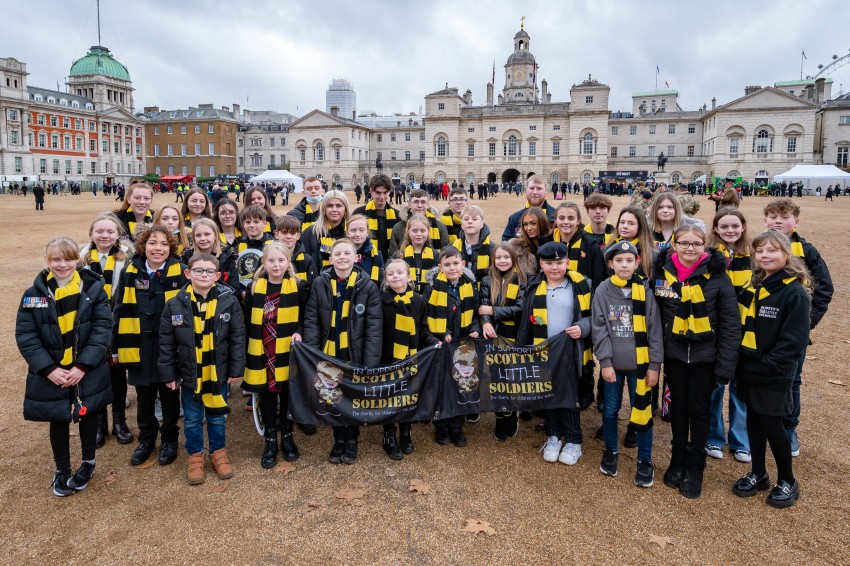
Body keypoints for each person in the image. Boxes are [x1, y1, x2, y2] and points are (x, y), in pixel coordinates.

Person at [16, 236, 112, 496]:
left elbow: (103, 330)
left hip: (86, 367)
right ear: (48, 261)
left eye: (68, 258)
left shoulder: (93, 288)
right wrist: (48, 369)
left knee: (88, 412)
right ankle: (62, 468)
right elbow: (27, 336)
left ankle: (88, 462)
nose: (62, 264)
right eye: (56, 259)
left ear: (77, 259)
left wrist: (83, 365)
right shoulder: (33, 294)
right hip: (53, 368)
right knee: (58, 417)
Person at [652, 225, 740, 499]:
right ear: (674, 244)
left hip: (705, 356)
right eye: (684, 243)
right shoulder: (663, 273)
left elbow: (730, 324)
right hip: (675, 353)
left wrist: (725, 366)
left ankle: (696, 464)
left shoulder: (718, 276)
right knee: (677, 407)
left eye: (696, 244)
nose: (690, 249)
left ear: (705, 246)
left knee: (700, 409)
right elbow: (655, 314)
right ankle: (677, 456)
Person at [732, 231, 810, 509]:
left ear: (786, 255)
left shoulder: (793, 292)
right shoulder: (755, 286)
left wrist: (767, 366)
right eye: (760, 251)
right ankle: (758, 472)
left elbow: (794, 341)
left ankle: (788, 480)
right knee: (753, 421)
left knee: (773, 424)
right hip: (748, 367)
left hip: (773, 372)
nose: (765, 256)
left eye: (772, 251)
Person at [159, 253, 246, 485]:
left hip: (217, 372)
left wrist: (236, 368)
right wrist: (169, 374)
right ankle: (195, 455)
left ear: (217, 276)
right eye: (198, 271)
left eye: (209, 271)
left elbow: (238, 337)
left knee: (217, 418)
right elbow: (166, 343)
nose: (204, 275)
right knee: (192, 419)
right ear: (188, 274)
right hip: (190, 374)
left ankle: (218, 452)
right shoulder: (174, 303)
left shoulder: (229, 300)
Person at [112, 225, 187, 467]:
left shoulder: (181, 272)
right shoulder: (130, 272)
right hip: (138, 344)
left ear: (171, 248)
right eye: (153, 243)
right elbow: (118, 309)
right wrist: (115, 347)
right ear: (144, 246)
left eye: (164, 244)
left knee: (170, 397)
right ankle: (146, 439)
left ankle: (169, 439)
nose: (158, 248)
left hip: (169, 347)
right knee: (144, 398)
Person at [762, 198, 832, 457]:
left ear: (796, 221)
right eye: (773, 216)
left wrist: (806, 323)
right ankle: (762, 427)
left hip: (793, 332)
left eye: (785, 216)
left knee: (792, 380)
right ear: (765, 220)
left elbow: (824, 288)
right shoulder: (760, 248)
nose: (778, 220)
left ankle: (789, 429)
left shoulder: (806, 250)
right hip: (762, 328)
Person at [303, 239, 382, 464]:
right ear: (331, 258)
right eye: (338, 253)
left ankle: (352, 439)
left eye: (348, 253)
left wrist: (370, 362)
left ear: (356, 258)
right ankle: (338, 439)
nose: (342, 257)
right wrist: (312, 352)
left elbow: (374, 328)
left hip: (354, 353)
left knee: (352, 397)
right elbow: (312, 320)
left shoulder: (367, 285)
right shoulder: (320, 282)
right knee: (334, 397)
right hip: (329, 351)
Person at [592, 241, 664, 487]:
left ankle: (644, 460)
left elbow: (654, 330)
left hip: (641, 366)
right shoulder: (603, 290)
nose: (624, 265)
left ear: (637, 263)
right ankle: (611, 450)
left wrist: (654, 365)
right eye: (619, 260)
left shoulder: (644, 290)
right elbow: (599, 328)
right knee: (610, 410)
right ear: (611, 264)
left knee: (642, 411)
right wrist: (605, 362)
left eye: (629, 260)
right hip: (614, 365)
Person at [517, 241, 592, 466]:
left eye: (559, 262)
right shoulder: (533, 286)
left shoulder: (581, 284)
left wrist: (583, 328)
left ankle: (574, 440)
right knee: (547, 393)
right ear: (541, 264)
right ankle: (553, 436)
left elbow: (593, 317)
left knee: (569, 396)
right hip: (544, 349)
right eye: (549, 263)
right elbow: (527, 321)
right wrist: (524, 347)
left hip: (571, 350)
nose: (555, 268)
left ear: (567, 262)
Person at [242, 243, 310, 468]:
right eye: (271, 261)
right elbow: (246, 319)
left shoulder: (299, 287)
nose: (276, 265)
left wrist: (299, 332)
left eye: (281, 260)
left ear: (288, 262)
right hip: (263, 347)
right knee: (268, 394)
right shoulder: (255, 288)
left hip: (288, 348)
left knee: (287, 393)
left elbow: (305, 316)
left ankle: (288, 435)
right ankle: (270, 438)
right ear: (264, 263)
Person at [79, 213, 133, 447]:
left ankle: (119, 420)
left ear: (118, 235)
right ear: (91, 233)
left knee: (117, 374)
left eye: (110, 231)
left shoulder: (126, 257)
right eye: (99, 231)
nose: (105, 235)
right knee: (95, 375)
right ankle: (100, 421)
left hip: (118, 322)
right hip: (89, 325)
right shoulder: (81, 257)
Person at [705, 207, 752, 462]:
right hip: (717, 327)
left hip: (745, 327)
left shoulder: (753, 254)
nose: (730, 231)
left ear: (743, 227)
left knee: (740, 388)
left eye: (735, 226)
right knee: (714, 385)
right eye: (724, 227)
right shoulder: (709, 255)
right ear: (715, 229)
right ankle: (713, 437)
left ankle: (740, 440)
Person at [380, 258, 439, 459]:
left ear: (409, 276)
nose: (395, 276)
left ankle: (406, 432)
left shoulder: (418, 300)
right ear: (386, 280)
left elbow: (423, 328)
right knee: (390, 396)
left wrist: (432, 342)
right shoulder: (381, 300)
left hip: (411, 357)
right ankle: (389, 434)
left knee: (407, 395)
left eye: (399, 273)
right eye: (391, 274)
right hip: (388, 357)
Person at [424, 245, 481, 446]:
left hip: (463, 345)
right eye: (447, 264)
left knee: (461, 385)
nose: (452, 268)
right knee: (441, 386)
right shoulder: (432, 288)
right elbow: (428, 316)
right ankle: (441, 426)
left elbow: (475, 313)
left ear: (463, 264)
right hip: (442, 346)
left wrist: (475, 328)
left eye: (456, 263)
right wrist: (442, 333)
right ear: (440, 266)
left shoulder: (471, 285)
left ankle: (457, 427)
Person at [479, 242, 527, 441]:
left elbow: (519, 308)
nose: (502, 261)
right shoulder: (487, 280)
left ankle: (512, 412)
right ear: (493, 260)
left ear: (513, 259)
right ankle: (500, 415)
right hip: (493, 335)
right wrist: (485, 322)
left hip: (513, 335)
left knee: (512, 377)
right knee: (497, 378)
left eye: (506, 257)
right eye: (498, 257)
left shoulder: (521, 280)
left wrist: (493, 312)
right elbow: (482, 307)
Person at [182, 219, 240, 294]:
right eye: (198, 235)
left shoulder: (227, 257)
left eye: (207, 234)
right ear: (193, 238)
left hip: (221, 302)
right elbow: (183, 286)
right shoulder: (187, 257)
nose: (203, 238)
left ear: (216, 235)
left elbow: (234, 289)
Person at [353, 174, 401, 261]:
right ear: (371, 191)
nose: (382, 197)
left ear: (389, 191)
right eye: (378, 193)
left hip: (390, 263)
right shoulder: (359, 213)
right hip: (364, 262)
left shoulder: (397, 215)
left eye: (385, 192)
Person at [388, 189, 449, 257]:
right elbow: (393, 256)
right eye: (416, 202)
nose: (419, 205)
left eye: (423, 202)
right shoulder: (398, 227)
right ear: (409, 204)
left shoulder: (440, 227)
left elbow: (445, 255)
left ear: (428, 204)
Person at [301, 190, 350, 271]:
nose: (334, 209)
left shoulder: (352, 233)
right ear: (323, 209)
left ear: (345, 209)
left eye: (338, 206)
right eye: (330, 206)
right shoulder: (310, 233)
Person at [501, 175, 558, 241]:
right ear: (526, 189)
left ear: (546, 191)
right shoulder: (514, 218)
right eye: (531, 188)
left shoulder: (556, 217)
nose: (535, 192)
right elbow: (505, 244)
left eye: (539, 188)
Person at [452, 205, 492, 294]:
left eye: (474, 219)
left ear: (482, 224)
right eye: (466, 219)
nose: (470, 222)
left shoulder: (492, 249)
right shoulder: (452, 248)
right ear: (461, 224)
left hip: (484, 296)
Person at [508, 207, 552, 278]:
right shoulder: (515, 246)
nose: (528, 228)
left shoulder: (553, 244)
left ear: (542, 223)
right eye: (525, 224)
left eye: (533, 223)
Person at [274, 214, 318, 285]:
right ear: (276, 234)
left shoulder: (307, 260)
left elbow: (314, 287)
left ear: (298, 236)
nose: (288, 237)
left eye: (292, 233)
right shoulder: (268, 258)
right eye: (284, 232)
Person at [612, 206, 655, 278]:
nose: (625, 226)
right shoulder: (608, 249)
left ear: (640, 227)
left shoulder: (650, 254)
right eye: (622, 222)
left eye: (631, 223)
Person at [400, 214, 439, 294]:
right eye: (414, 231)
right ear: (408, 232)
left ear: (428, 232)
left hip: (429, 299)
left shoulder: (436, 255)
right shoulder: (400, 255)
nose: (419, 234)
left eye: (422, 230)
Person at [347, 214, 384, 284]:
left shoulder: (376, 254)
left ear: (367, 232)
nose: (357, 234)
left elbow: (381, 280)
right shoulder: (342, 253)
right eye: (353, 230)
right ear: (347, 233)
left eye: (361, 230)